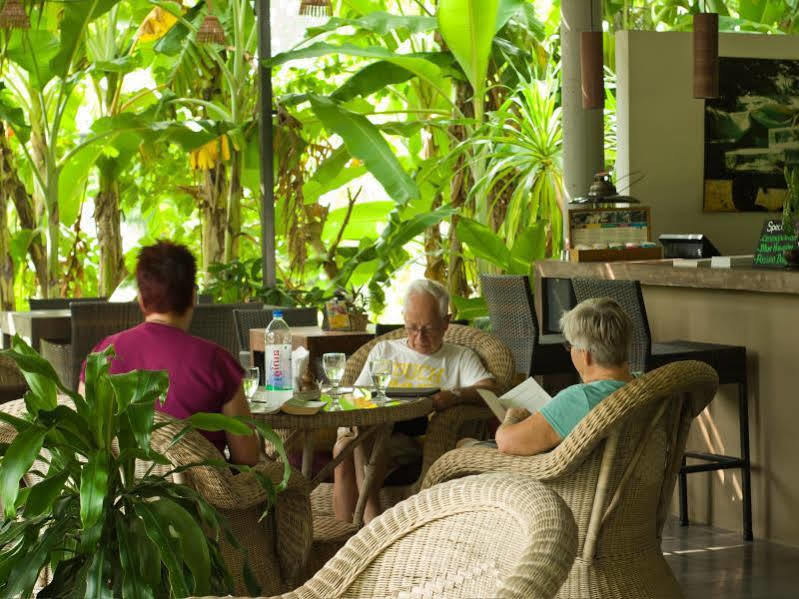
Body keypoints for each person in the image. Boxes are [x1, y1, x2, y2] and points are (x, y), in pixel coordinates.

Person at [78, 241, 259, 466]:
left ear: (141, 300)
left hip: (122, 498)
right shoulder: (218, 363)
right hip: (205, 499)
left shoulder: (102, 356)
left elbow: (86, 439)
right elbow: (247, 458)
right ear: (193, 297)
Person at [333, 279, 496, 523]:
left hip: (419, 439)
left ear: (446, 322)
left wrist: (453, 396)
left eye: (428, 329)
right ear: (404, 318)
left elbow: (490, 388)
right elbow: (358, 395)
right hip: (376, 428)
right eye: (411, 327)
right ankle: (359, 527)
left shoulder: (458, 357)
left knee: (353, 445)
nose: (418, 337)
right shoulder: (384, 351)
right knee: (346, 445)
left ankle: (364, 529)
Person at [492, 297, 633, 456]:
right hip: (628, 477)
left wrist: (512, 417)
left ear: (585, 354)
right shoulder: (640, 384)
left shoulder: (581, 399)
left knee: (466, 443)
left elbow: (507, 443)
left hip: (549, 478)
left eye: (570, 345)